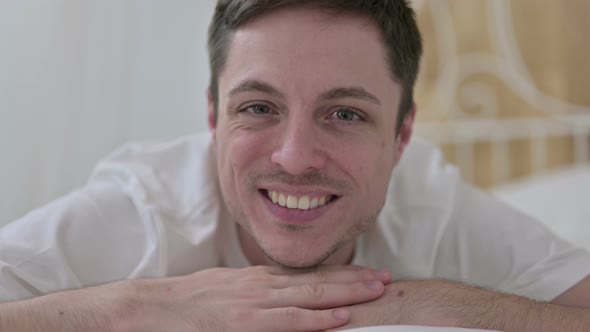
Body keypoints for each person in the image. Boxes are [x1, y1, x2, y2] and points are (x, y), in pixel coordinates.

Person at [1, 0, 589, 331]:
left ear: (402, 134)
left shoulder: (431, 206)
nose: (295, 157)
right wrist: (147, 304)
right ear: (212, 118)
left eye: (346, 114)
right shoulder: (148, 209)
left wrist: (427, 302)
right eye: (258, 108)